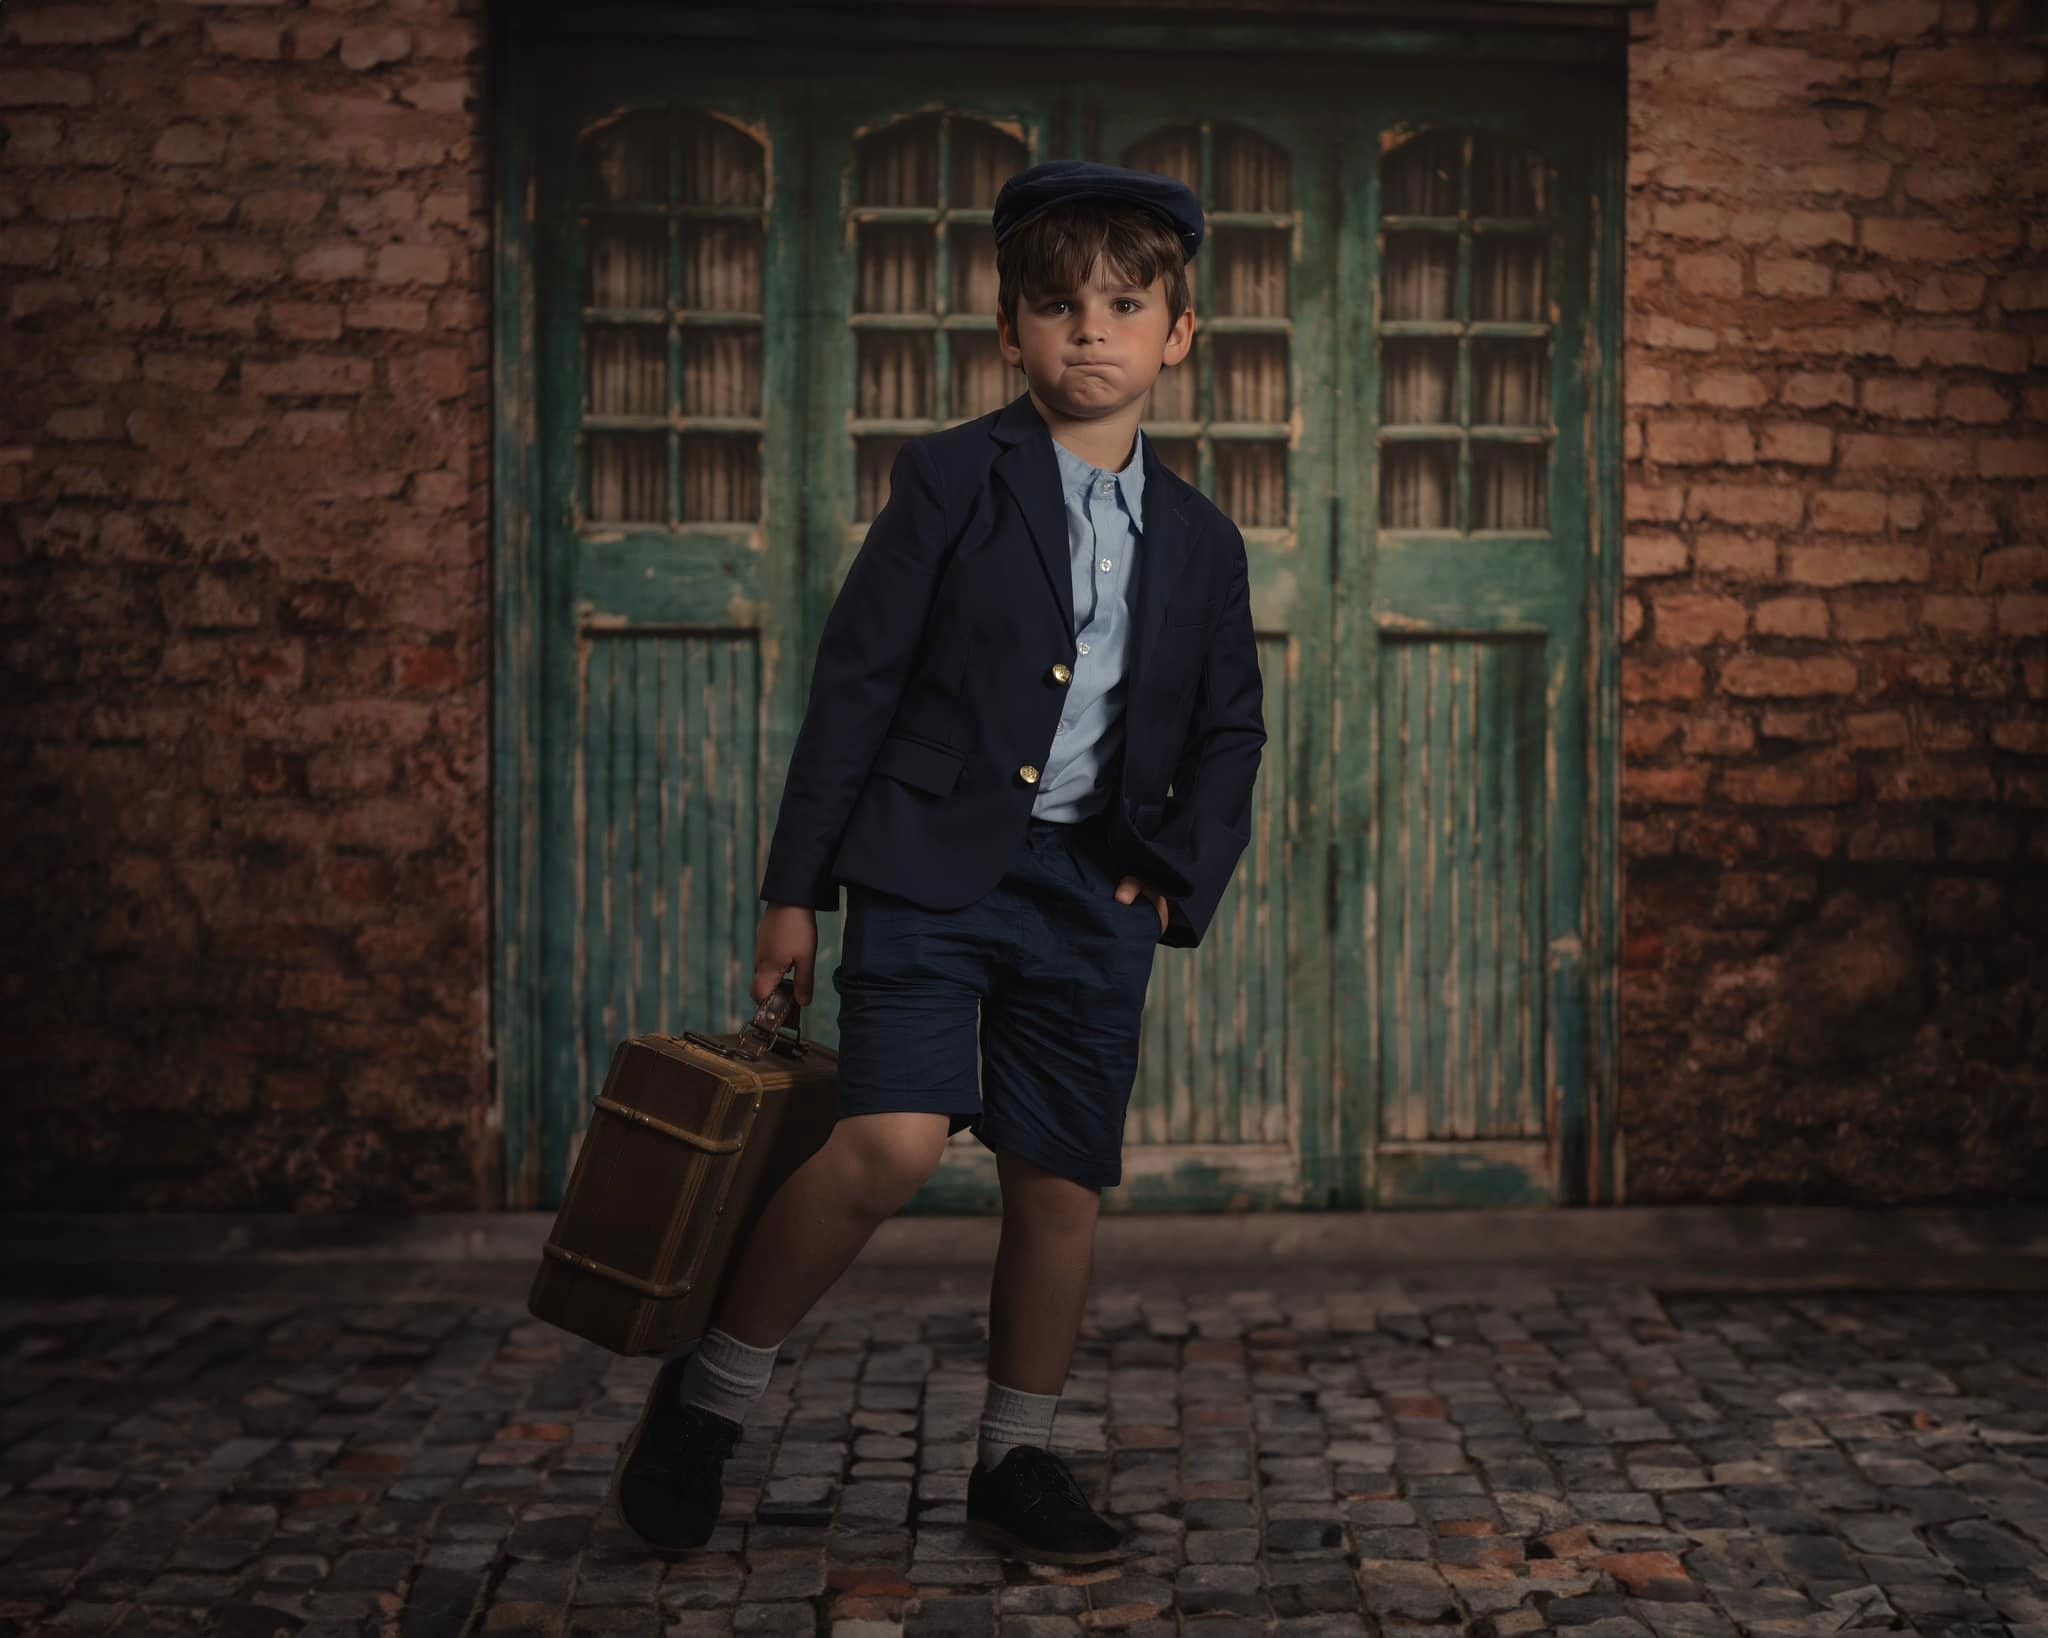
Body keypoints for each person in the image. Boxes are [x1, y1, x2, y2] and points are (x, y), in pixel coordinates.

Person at [616, 159, 1266, 1566]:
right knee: (891, 1141)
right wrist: (796, 894)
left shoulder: (1206, 544)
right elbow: (856, 684)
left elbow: (1232, 730)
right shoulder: (955, 479)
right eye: (1055, 307)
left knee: (1056, 1182)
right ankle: (711, 1393)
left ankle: (1015, 1455)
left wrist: (1173, 873)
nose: (1087, 331)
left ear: (1179, 335)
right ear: (1011, 334)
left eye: (1122, 304)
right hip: (927, 868)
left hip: (1092, 895)